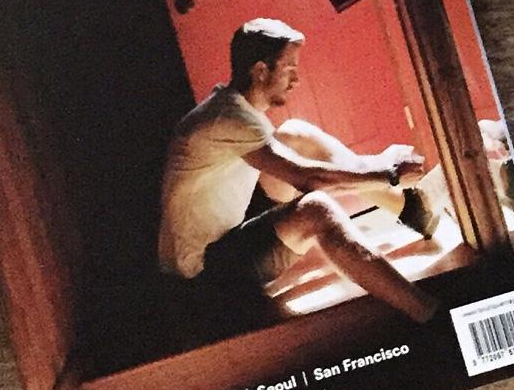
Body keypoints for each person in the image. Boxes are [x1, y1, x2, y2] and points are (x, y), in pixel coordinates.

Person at [158, 18, 440, 323]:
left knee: (296, 134)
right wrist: (389, 174)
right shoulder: (229, 119)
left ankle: (410, 209)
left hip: (228, 231)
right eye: (289, 69)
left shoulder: (233, 106)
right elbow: (309, 179)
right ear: (260, 71)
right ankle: (430, 315)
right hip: (203, 275)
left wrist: (380, 169)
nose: (297, 79)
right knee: (316, 209)